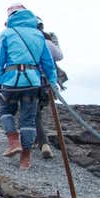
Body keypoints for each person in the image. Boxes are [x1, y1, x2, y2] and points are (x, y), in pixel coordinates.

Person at [0, 3, 57, 170]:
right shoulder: (39, 35)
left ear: (10, 17)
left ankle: (14, 141)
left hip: (11, 80)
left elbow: (0, 61)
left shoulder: (7, 34)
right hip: (33, 82)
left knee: (6, 111)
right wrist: (52, 82)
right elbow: (48, 63)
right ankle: (25, 159)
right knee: (28, 120)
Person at [34, 16, 64, 158]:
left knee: (34, 113)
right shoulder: (47, 41)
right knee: (37, 111)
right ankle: (38, 140)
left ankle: (43, 142)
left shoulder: (27, 39)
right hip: (46, 82)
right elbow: (59, 56)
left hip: (29, 80)